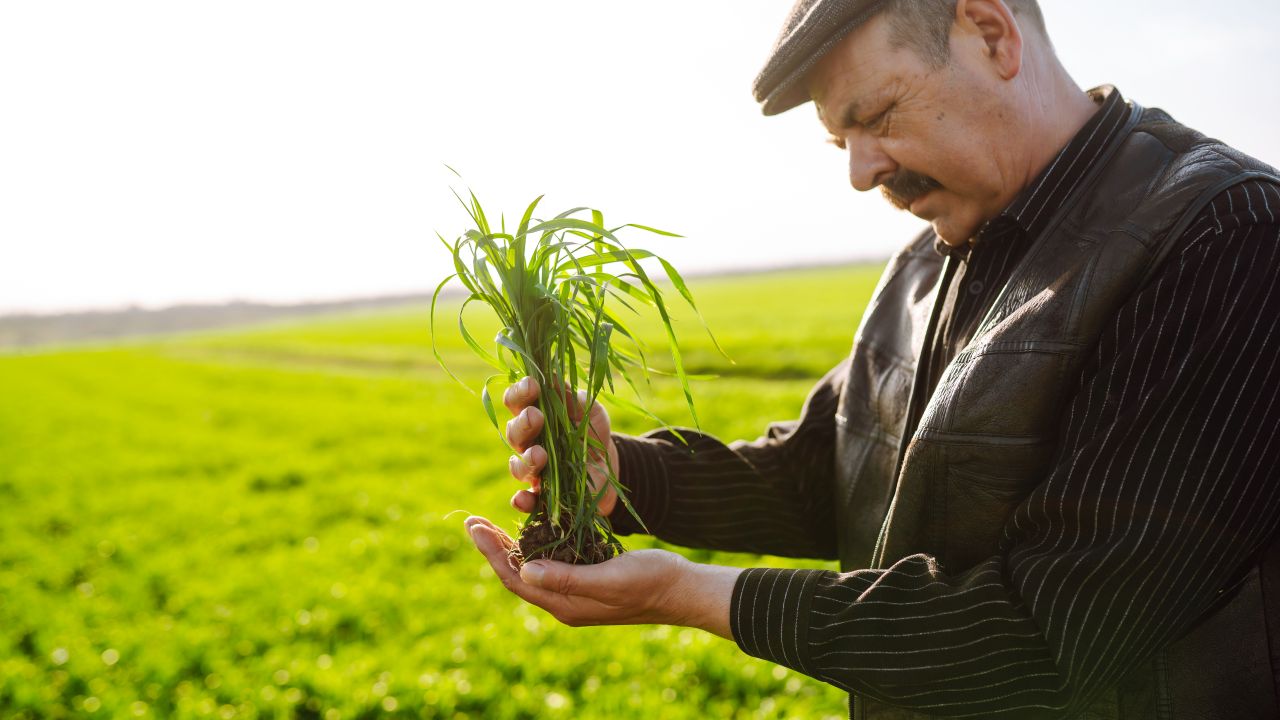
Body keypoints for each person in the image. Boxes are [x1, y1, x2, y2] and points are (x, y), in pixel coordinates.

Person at [465, 0, 1280, 717]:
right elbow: (829, 476)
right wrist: (623, 475)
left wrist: (693, 594)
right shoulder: (930, 259)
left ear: (991, 33)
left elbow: (1053, 633)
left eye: (878, 115)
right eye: (840, 140)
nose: (861, 174)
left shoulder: (1220, 236)